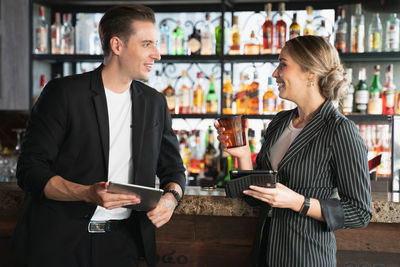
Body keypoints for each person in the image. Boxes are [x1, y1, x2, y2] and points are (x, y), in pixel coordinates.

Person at [13, 4, 185, 267]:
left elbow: (173, 169)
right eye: (147, 44)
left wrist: (171, 200)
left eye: (156, 44)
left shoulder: (155, 103)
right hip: (59, 244)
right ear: (117, 45)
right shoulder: (64, 93)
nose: (157, 54)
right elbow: (29, 170)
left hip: (123, 245)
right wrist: (86, 193)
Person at [215, 35, 372, 267]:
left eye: (283, 64)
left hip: (306, 257)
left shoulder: (339, 129)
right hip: (265, 251)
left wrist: (299, 202)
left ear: (310, 74)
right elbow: (259, 198)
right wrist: (243, 156)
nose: (275, 73)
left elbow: (359, 212)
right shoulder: (279, 122)